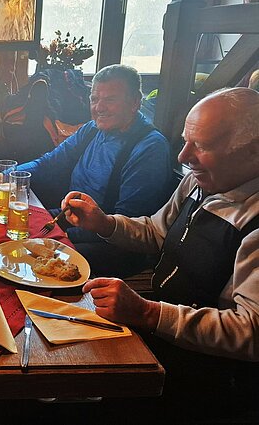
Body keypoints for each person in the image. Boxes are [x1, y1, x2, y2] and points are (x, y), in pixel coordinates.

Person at [63, 87, 259, 417]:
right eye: (185, 141)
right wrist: (104, 223)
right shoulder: (200, 181)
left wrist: (149, 314)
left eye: (202, 145)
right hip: (160, 328)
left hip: (210, 376)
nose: (182, 156)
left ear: (253, 151)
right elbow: (157, 232)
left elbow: (251, 332)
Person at [0, 64, 173, 277]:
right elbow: (49, 163)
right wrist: (4, 176)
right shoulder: (92, 129)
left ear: (135, 102)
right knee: (0, 230)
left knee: (22, 260)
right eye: (94, 99)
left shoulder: (150, 148)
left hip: (110, 245)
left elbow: (127, 225)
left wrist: (59, 236)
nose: (99, 107)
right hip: (70, 219)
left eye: (110, 99)